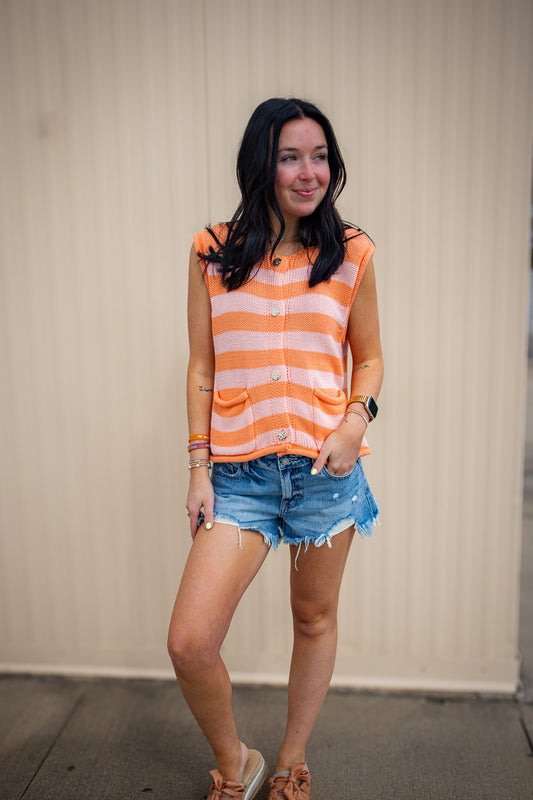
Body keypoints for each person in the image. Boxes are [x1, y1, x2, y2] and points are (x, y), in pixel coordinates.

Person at [167, 97, 383, 800]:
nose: (307, 171)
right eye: (290, 155)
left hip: (326, 473)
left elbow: (370, 359)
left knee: (312, 618)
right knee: (190, 641)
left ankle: (291, 760)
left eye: (319, 156)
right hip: (238, 475)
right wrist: (199, 470)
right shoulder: (211, 250)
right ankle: (238, 762)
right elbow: (202, 369)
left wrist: (356, 419)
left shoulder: (350, 252)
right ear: (260, 160)